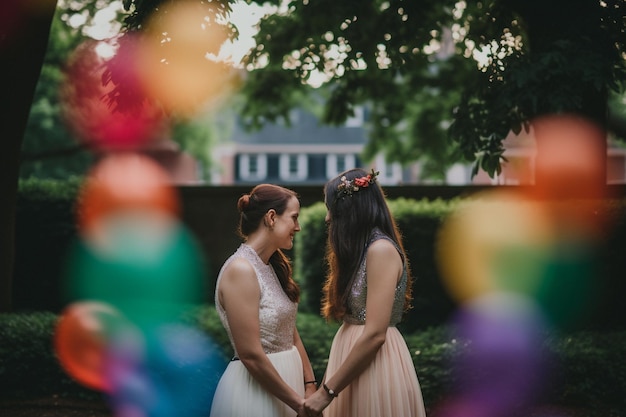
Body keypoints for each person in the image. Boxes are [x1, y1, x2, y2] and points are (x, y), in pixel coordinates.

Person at [303, 168, 426, 417]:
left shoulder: (381, 250)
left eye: (331, 209)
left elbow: (375, 335)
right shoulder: (363, 251)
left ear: (350, 209)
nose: (328, 218)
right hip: (350, 366)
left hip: (375, 365)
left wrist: (326, 393)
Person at [210, 184, 317, 417]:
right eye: (294, 218)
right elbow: (250, 354)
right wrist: (298, 404)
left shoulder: (270, 266)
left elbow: (290, 331)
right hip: (257, 393)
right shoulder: (241, 269)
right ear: (271, 217)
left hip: (290, 387)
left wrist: (309, 385)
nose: (297, 227)